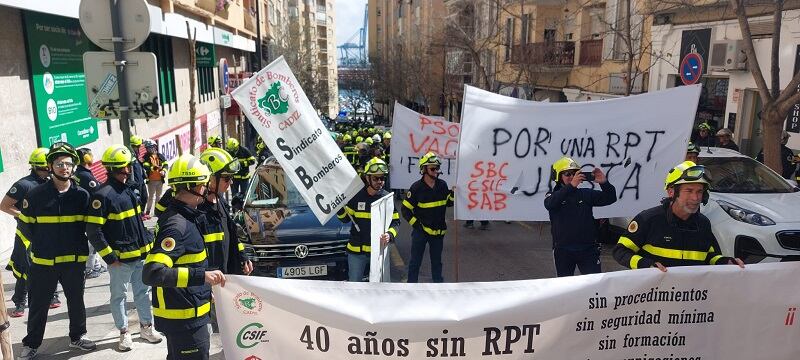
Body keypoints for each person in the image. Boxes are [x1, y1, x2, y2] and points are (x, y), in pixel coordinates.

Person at [143, 154, 225, 360]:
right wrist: (202, 277)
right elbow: (153, 272)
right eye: (204, 184)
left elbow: (187, 261)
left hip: (189, 312)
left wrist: (205, 289)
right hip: (184, 318)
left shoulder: (188, 217)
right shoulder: (177, 225)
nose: (206, 189)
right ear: (194, 187)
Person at [18, 142, 96, 359]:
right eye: (59, 163)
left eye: (69, 164)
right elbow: (25, 226)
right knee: (38, 305)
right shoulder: (35, 195)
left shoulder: (82, 196)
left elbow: (89, 227)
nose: (65, 168)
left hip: (73, 262)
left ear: (73, 167)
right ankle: (31, 344)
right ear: (51, 166)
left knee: (76, 301)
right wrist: (42, 245)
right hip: (44, 263)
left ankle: (78, 336)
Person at [85, 144, 163, 351]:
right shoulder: (102, 195)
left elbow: (136, 223)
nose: (127, 172)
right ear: (111, 169)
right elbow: (93, 231)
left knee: (143, 293)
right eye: (122, 169)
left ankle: (146, 327)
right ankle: (124, 332)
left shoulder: (130, 189)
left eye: (127, 167)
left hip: (140, 255)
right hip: (119, 260)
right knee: (119, 296)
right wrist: (110, 257)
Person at [613, 161, 746, 271]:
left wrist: (726, 262)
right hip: (654, 296)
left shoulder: (703, 224)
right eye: (689, 191)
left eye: (699, 191)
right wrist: (646, 265)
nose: (696, 198)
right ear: (671, 192)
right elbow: (620, 251)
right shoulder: (649, 219)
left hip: (689, 297)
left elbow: (710, 256)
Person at [197, 148, 253, 332]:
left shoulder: (219, 200)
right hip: (211, 285)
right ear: (210, 177)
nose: (230, 183)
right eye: (226, 178)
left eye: (231, 178)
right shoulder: (197, 210)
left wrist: (242, 255)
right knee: (218, 335)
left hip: (226, 279)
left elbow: (231, 234)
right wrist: (206, 286)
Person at [0, 148, 60, 318]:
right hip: (27, 233)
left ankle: (52, 296)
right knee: (24, 266)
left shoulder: (52, 183)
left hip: (48, 232)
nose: (47, 172)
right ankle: (20, 301)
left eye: (49, 168)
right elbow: (4, 206)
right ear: (35, 167)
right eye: (44, 169)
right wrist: (25, 216)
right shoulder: (23, 185)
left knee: (50, 263)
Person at [544, 157, 617, 277]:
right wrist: (571, 186)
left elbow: (610, 198)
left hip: (588, 249)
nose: (572, 177)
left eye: (575, 174)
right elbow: (550, 204)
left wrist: (604, 183)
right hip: (563, 250)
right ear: (558, 176)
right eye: (568, 174)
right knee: (564, 286)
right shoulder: (552, 195)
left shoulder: (586, 194)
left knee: (594, 285)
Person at [337, 158, 400, 281]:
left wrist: (389, 234)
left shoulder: (387, 198)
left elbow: (396, 221)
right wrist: (339, 208)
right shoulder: (356, 196)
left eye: (382, 178)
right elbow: (344, 219)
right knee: (355, 286)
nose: (380, 182)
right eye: (376, 178)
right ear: (367, 178)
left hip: (378, 252)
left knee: (378, 288)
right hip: (356, 252)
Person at [402, 152, 454, 283]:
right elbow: (405, 209)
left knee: (437, 262)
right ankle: (411, 287)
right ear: (424, 169)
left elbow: (449, 203)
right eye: (433, 168)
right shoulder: (416, 188)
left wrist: (453, 193)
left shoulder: (442, 185)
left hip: (438, 232)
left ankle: (438, 286)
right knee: (415, 262)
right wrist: (417, 225)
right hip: (421, 232)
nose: (436, 171)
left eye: (437, 168)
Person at [74, 148, 106, 279]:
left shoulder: (80, 173)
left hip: (85, 212)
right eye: (91, 155)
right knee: (93, 243)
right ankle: (89, 269)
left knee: (94, 242)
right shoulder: (86, 176)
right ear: (86, 158)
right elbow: (98, 193)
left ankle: (96, 265)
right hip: (90, 214)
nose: (93, 157)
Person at [142, 140, 168, 216]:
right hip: (151, 181)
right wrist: (155, 168)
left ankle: (157, 211)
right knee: (151, 197)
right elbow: (146, 166)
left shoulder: (160, 155)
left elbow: (166, 164)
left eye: (150, 148)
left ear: (154, 147)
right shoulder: (146, 156)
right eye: (147, 148)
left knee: (158, 197)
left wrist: (164, 170)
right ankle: (148, 211)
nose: (148, 150)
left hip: (160, 180)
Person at [129, 135, 149, 209]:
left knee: (145, 197)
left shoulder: (136, 156)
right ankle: (140, 214)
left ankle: (142, 213)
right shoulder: (130, 157)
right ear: (134, 146)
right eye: (138, 146)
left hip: (141, 182)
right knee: (138, 200)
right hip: (136, 183)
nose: (139, 148)